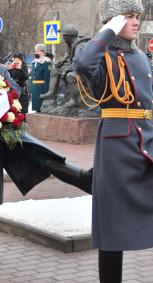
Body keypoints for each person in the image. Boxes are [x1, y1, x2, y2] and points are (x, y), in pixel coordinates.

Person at [0, 25, 92, 262]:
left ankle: (83, 178)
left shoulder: (0, 68)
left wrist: (2, 87)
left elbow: (15, 91)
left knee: (42, 155)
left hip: (8, 130)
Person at [74, 1, 151, 282]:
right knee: (112, 226)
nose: (135, 22)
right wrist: (108, 31)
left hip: (147, 139)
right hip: (117, 148)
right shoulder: (100, 54)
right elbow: (82, 64)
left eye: (137, 16)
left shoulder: (141, 56)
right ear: (113, 22)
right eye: (128, 16)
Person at [29, 43, 51, 112]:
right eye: (35, 51)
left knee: (42, 108)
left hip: (42, 88)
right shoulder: (34, 62)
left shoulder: (46, 63)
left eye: (38, 51)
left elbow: (47, 78)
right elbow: (32, 77)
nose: (36, 53)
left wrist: (45, 91)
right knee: (36, 108)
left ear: (43, 52)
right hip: (35, 87)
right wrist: (31, 88)